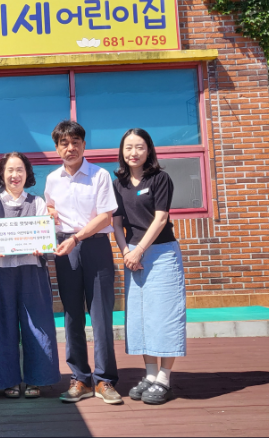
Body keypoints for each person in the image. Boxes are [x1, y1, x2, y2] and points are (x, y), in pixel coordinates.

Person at [44, 120, 122, 405]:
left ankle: (104, 380)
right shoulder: (52, 179)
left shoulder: (100, 175)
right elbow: (50, 206)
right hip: (65, 248)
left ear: (83, 145)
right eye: (64, 143)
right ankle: (79, 377)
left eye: (75, 142)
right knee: (72, 314)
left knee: (101, 315)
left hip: (95, 246)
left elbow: (105, 217)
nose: (70, 148)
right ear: (56, 148)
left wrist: (76, 238)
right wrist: (51, 211)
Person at [111, 128, 187, 405]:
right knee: (142, 315)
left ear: (149, 150)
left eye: (139, 147)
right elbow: (116, 223)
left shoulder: (160, 178)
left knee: (164, 315)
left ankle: (165, 377)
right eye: (128, 147)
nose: (134, 153)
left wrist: (140, 249)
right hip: (133, 255)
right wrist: (126, 252)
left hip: (161, 252)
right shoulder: (117, 183)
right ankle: (150, 374)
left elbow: (161, 217)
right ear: (122, 151)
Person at [0, 152, 61, 399]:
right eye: (10, 170)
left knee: (37, 324)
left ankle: (37, 379)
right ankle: (7, 380)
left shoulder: (37, 203)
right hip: (0, 272)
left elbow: (48, 238)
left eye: (20, 170)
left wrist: (43, 243)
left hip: (32, 270)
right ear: (2, 174)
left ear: (27, 174)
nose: (15, 175)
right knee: (2, 325)